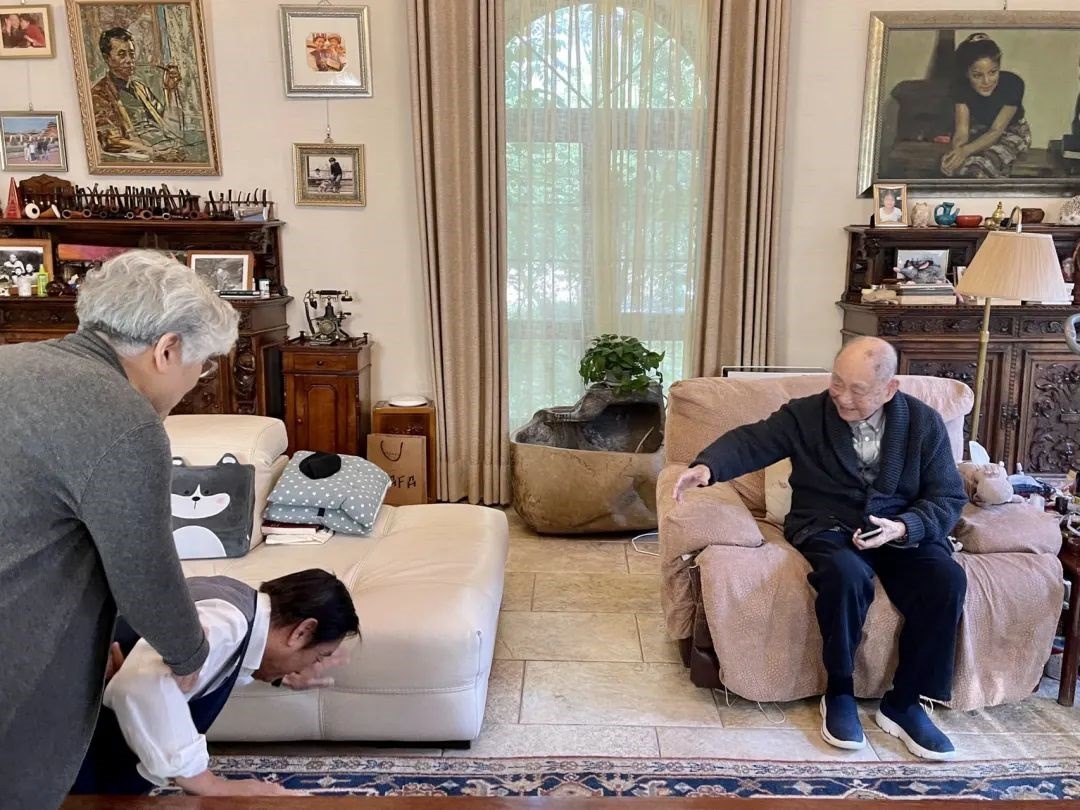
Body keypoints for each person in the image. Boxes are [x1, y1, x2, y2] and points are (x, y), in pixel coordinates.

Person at [0, 249, 239, 809]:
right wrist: (188, 655)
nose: (194, 381)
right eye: (201, 365)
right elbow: (144, 571)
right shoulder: (124, 420)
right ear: (167, 349)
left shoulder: (10, 362)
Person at [672, 337, 967, 761]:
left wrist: (906, 526)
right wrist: (708, 466)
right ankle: (840, 692)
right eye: (837, 383)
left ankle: (905, 702)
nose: (843, 397)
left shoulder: (924, 423)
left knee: (946, 579)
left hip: (899, 529)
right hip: (827, 525)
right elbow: (754, 441)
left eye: (858, 390)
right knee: (845, 576)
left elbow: (948, 496)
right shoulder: (807, 414)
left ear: (889, 388)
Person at [72, 569, 359, 797]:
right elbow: (139, 686)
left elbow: (212, 667)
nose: (311, 666)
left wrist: (283, 675)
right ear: (302, 632)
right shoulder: (224, 621)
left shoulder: (237, 603)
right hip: (68, 754)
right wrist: (211, 785)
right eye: (318, 656)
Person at [90, 27, 187, 161]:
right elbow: (111, 141)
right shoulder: (99, 94)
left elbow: (171, 128)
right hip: (145, 156)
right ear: (107, 58)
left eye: (131, 53)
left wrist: (170, 90)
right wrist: (155, 153)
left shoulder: (140, 88)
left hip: (166, 147)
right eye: (122, 55)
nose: (129, 60)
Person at [940, 33, 1029, 178]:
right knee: (955, 164)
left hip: (1011, 132)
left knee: (983, 165)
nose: (987, 81)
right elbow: (962, 131)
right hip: (980, 129)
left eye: (993, 72)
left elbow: (996, 131)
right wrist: (957, 153)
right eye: (977, 75)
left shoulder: (1013, 84)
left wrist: (965, 151)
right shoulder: (960, 87)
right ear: (966, 73)